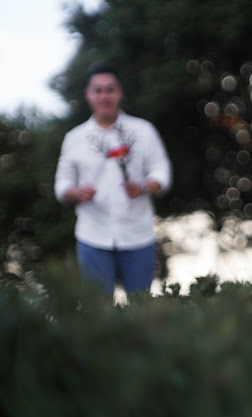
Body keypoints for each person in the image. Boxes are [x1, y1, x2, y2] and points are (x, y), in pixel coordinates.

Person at [54, 62, 172, 302]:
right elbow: (61, 184)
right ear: (88, 95)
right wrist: (75, 192)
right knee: (99, 311)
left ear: (119, 93)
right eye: (98, 90)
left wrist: (145, 187)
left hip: (137, 234)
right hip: (92, 235)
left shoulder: (143, 131)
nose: (104, 95)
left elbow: (162, 172)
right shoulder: (74, 138)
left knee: (141, 307)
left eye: (110, 89)